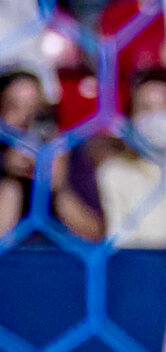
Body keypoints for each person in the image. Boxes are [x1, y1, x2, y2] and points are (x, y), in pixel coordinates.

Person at [0, 66, 103, 240]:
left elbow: (94, 234)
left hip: (59, 261)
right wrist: (12, 178)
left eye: (35, 109)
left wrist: (58, 187)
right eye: (15, 107)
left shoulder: (70, 154)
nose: (27, 119)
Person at [94, 65, 166, 247]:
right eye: (146, 108)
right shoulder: (114, 173)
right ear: (131, 119)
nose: (158, 116)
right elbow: (117, 239)